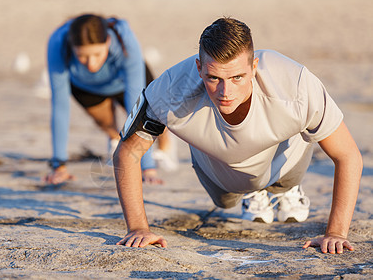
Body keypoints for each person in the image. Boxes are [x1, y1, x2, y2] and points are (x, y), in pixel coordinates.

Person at [113, 17, 363, 254]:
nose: (225, 92)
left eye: (237, 77)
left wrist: (337, 233)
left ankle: (283, 191)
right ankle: (253, 192)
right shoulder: (170, 89)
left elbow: (348, 155)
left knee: (283, 180)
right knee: (224, 200)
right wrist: (138, 228)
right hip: (217, 163)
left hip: (282, 158)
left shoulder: (295, 85)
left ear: (254, 67)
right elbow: (127, 152)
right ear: (199, 68)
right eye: (213, 78)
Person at [45, 14, 176, 185]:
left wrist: (147, 168)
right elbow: (60, 107)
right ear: (72, 47)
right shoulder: (58, 43)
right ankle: (118, 141)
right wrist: (59, 166)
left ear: (107, 42)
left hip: (126, 82)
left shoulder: (125, 39)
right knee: (107, 125)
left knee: (155, 118)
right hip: (86, 86)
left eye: (97, 54)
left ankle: (162, 145)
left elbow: (135, 105)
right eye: (82, 56)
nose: (91, 64)